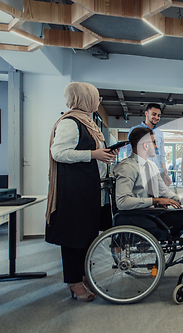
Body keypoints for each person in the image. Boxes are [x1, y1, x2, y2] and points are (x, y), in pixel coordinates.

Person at [45, 82, 119, 302]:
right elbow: (58, 153)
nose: (99, 101)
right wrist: (94, 155)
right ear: (84, 99)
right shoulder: (70, 122)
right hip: (74, 191)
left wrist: (103, 155)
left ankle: (83, 274)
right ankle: (74, 282)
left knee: (87, 236)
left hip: (89, 189)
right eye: (95, 97)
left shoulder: (89, 121)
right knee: (73, 238)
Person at [114, 127, 183, 277]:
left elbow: (164, 192)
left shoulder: (151, 165)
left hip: (154, 213)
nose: (156, 146)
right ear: (145, 145)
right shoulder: (127, 167)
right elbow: (122, 202)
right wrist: (155, 200)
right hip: (141, 216)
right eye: (154, 142)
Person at [126, 103, 171, 186]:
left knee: (158, 197)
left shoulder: (159, 134)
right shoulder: (135, 130)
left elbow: (161, 156)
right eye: (154, 114)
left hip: (157, 173)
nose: (157, 117)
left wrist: (165, 174)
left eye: (159, 115)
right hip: (141, 173)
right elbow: (130, 153)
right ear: (146, 113)